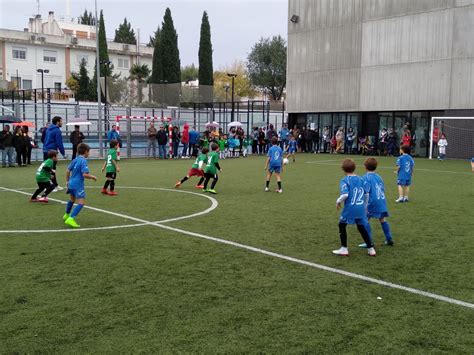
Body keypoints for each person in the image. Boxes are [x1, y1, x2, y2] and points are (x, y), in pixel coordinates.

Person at [332, 159, 376, 257]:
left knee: (342, 225)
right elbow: (366, 194)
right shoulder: (361, 179)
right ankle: (371, 248)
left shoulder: (345, 180)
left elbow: (345, 194)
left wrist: (338, 201)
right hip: (360, 208)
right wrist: (365, 207)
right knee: (361, 227)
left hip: (350, 208)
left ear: (343, 169)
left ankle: (344, 248)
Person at [359, 158, 393, 247]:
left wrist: (364, 205)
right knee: (382, 219)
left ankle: (369, 242)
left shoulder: (365, 178)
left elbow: (365, 192)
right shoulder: (379, 177)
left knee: (365, 219)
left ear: (365, 167)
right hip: (381, 200)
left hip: (372, 202)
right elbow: (383, 189)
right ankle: (389, 238)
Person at [64, 143, 97, 228]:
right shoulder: (83, 160)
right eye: (88, 152)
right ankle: (71, 219)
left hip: (71, 183)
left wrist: (67, 181)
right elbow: (84, 175)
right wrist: (92, 177)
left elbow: (67, 170)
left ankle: (66, 215)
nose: (88, 154)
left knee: (72, 199)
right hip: (78, 184)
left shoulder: (75, 159)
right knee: (81, 203)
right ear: (85, 152)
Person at [43, 116, 67, 190]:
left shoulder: (48, 129)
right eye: (61, 121)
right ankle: (49, 186)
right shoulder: (57, 131)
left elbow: (44, 139)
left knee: (49, 168)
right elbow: (59, 143)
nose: (62, 122)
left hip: (45, 150)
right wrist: (63, 153)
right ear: (57, 122)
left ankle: (55, 185)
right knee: (51, 169)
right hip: (52, 151)